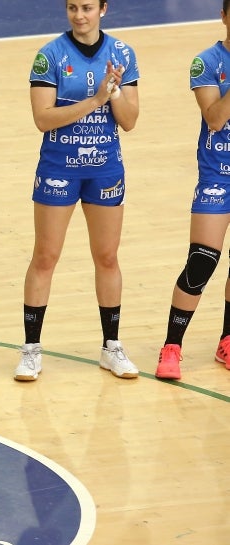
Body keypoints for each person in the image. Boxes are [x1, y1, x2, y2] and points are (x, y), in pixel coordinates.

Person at [13, 0, 140, 381]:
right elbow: (42, 118)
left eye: (86, 7)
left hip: (105, 169)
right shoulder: (49, 55)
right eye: (72, 8)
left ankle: (111, 348)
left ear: (103, 9)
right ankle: (31, 350)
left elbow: (130, 121)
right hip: (58, 169)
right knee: (45, 256)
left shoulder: (122, 54)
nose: (79, 15)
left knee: (107, 256)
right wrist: (96, 100)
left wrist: (114, 94)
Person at [156, 0, 230, 381]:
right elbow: (215, 118)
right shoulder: (207, 62)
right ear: (224, 16)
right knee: (201, 262)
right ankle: (172, 347)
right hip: (218, 177)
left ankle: (227, 340)